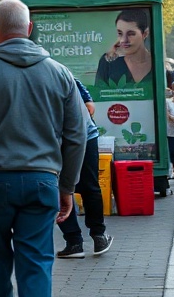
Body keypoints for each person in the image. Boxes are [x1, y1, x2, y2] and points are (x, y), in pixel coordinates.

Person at [0, 0, 86, 297]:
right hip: (42, 181)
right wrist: (67, 187)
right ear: (29, 28)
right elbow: (77, 135)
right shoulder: (60, 73)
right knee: (36, 263)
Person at [56, 79, 113, 259]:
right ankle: (85, 239)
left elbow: (89, 106)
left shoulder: (67, 79)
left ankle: (85, 239)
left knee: (74, 186)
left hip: (74, 138)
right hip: (71, 137)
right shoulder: (63, 76)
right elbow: (89, 107)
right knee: (73, 188)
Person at [96, 8, 152, 86]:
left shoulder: (157, 63)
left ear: (145, 34)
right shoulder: (108, 63)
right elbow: (98, 94)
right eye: (120, 33)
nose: (123, 40)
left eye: (131, 34)